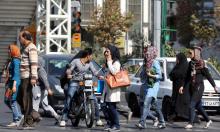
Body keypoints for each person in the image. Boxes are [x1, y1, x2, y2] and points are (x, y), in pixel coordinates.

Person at [59, 48, 102, 127]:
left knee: (94, 98)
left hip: (85, 82)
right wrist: (68, 73)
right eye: (91, 55)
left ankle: (98, 119)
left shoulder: (90, 63)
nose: (92, 57)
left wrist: (99, 76)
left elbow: (94, 71)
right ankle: (64, 118)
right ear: (88, 55)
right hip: (75, 81)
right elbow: (69, 69)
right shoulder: (76, 61)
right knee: (69, 96)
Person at [179, 46, 218, 129]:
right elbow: (186, 76)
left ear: (196, 53)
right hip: (192, 87)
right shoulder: (191, 63)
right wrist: (182, 86)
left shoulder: (202, 64)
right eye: (189, 53)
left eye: (191, 53)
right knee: (198, 106)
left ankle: (191, 123)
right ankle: (208, 120)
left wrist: (214, 86)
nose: (189, 55)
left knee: (191, 105)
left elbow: (208, 76)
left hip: (199, 87)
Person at [136, 46, 166, 129]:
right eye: (145, 53)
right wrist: (143, 72)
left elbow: (160, 76)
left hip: (153, 87)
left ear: (152, 53)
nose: (146, 54)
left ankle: (142, 123)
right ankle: (162, 122)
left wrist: (151, 75)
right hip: (146, 86)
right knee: (155, 106)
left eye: (148, 53)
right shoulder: (145, 63)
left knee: (146, 104)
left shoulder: (155, 62)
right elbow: (142, 76)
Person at [17, 31, 39, 128]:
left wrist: (33, 77)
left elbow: (34, 63)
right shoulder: (25, 48)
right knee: (19, 97)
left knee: (26, 99)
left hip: (27, 77)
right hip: (22, 76)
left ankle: (28, 121)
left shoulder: (32, 47)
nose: (19, 39)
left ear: (25, 37)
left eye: (20, 37)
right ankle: (33, 116)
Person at [32, 56, 60, 124]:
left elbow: (45, 81)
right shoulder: (38, 70)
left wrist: (48, 89)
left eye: (35, 63)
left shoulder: (41, 71)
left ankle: (35, 118)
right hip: (42, 90)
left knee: (35, 105)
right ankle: (57, 116)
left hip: (40, 90)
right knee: (45, 106)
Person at [102, 44, 121, 131]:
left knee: (112, 107)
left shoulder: (116, 62)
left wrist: (109, 61)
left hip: (113, 89)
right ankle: (111, 124)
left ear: (112, 52)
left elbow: (114, 72)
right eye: (105, 51)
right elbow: (108, 75)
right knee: (106, 106)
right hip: (107, 88)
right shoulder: (108, 62)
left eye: (108, 51)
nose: (106, 53)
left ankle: (116, 126)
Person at [4, 44, 23, 127]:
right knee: (7, 100)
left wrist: (14, 85)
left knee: (13, 100)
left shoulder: (16, 61)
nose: (8, 51)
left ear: (14, 51)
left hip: (14, 83)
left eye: (10, 49)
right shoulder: (11, 60)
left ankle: (16, 120)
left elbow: (16, 74)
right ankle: (19, 115)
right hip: (10, 83)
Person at [169, 53, 189, 120]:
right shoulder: (177, 66)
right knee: (175, 101)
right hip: (175, 86)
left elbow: (184, 76)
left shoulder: (186, 66)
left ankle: (182, 116)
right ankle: (175, 115)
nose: (176, 60)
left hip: (182, 87)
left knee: (180, 101)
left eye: (177, 59)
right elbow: (171, 74)